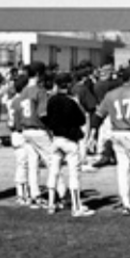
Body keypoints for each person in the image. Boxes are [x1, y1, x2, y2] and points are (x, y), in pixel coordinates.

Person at [89, 65, 130, 215]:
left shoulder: (110, 94)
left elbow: (98, 116)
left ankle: (126, 204)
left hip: (117, 134)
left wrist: (92, 134)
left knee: (122, 170)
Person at [43, 72, 95, 217]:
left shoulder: (51, 100)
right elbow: (81, 120)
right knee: (74, 174)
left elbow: (47, 119)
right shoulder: (71, 101)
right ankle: (76, 207)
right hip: (69, 140)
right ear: (68, 85)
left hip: (56, 139)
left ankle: (51, 204)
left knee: (53, 172)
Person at [18, 61, 55, 208]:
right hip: (39, 130)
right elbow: (43, 114)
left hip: (26, 130)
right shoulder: (40, 91)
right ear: (39, 74)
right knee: (53, 162)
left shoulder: (23, 90)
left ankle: (35, 195)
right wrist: (51, 128)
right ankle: (58, 195)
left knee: (32, 164)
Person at [5, 73, 32, 206]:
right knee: (23, 165)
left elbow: (9, 123)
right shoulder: (22, 100)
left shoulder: (13, 100)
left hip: (15, 133)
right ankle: (22, 194)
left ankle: (24, 192)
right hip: (20, 133)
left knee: (23, 164)